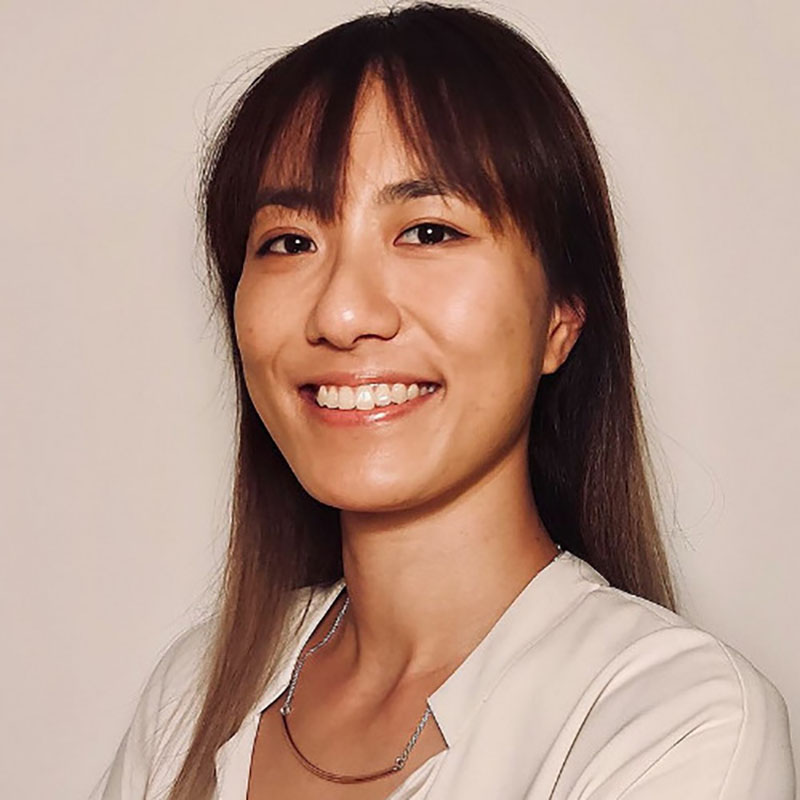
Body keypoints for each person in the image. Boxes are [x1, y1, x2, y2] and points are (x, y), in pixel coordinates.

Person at [91, 3, 795, 799]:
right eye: (289, 241)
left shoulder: (670, 721)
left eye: (428, 231)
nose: (342, 314)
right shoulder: (195, 694)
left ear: (561, 317)